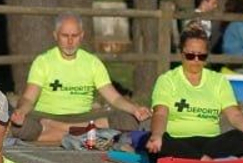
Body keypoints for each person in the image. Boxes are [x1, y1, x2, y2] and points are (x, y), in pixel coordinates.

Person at [10, 13, 150, 144]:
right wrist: (21, 111)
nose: (70, 41)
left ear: (81, 35)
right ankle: (86, 134)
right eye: (65, 36)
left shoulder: (92, 62)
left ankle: (59, 133)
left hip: (82, 118)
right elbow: (28, 98)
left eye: (74, 36)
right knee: (20, 127)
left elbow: (114, 98)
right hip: (47, 116)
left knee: (129, 120)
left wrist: (135, 109)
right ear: (55, 35)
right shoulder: (43, 62)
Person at [145, 27, 243, 161]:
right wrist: (156, 135)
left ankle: (196, 157)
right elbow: (160, 113)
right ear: (181, 54)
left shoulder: (218, 80)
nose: (196, 60)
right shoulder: (167, 80)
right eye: (190, 55)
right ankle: (204, 158)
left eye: (201, 56)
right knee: (160, 141)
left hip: (211, 142)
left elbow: (234, 115)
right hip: (176, 139)